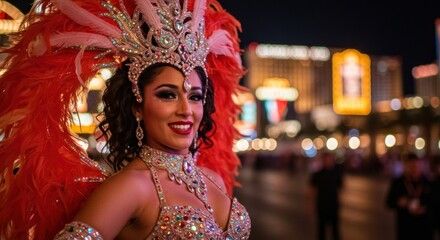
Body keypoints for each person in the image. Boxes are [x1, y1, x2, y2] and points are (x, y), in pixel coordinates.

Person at [0, 0, 251, 239]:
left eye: (195, 97)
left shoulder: (212, 179)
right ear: (136, 107)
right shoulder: (132, 186)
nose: (186, 110)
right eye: (167, 95)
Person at [385, 153, 435, 240]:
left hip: (425, 229)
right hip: (406, 228)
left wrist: (425, 209)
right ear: (405, 166)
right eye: (411, 165)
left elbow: (435, 203)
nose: (414, 168)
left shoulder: (427, 183)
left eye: (416, 165)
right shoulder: (398, 183)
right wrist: (399, 202)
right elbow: (388, 202)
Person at [308, 151, 343, 240]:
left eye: (330, 160)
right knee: (321, 229)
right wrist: (310, 206)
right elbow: (312, 190)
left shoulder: (336, 173)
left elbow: (341, 188)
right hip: (322, 205)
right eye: (326, 160)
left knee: (335, 229)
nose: (328, 162)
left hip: (333, 205)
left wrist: (340, 201)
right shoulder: (318, 174)